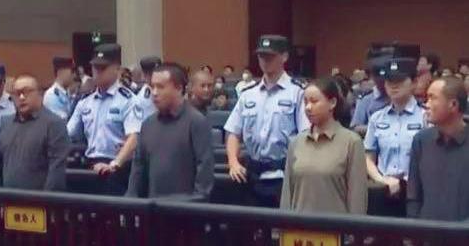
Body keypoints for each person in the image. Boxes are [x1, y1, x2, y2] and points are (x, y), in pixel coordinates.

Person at [224, 35, 308, 208]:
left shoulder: (297, 92)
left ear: (284, 57)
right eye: (262, 56)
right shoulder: (248, 94)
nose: (265, 61)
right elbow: (233, 132)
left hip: (284, 176)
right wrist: (233, 162)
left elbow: (305, 135)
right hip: (251, 176)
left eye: (270, 56)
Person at [127, 63, 214, 200]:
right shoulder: (148, 124)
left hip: (186, 209)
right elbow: (138, 169)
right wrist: (131, 201)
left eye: (160, 87)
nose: (154, 93)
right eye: (152, 86)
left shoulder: (197, 122)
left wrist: (194, 204)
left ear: (179, 88)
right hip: (152, 208)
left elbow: (204, 175)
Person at [281, 78, 367, 214]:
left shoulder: (351, 142)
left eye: (314, 101)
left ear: (332, 103)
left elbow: (357, 198)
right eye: (306, 102)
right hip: (299, 224)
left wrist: (354, 226)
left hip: (336, 224)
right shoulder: (296, 142)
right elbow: (287, 194)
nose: (308, 107)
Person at [67, 43, 143, 195]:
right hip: (90, 166)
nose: (97, 73)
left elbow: (134, 137)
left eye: (103, 68)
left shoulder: (128, 100)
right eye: (95, 68)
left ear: (117, 69)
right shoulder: (85, 101)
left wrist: (115, 164)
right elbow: (68, 133)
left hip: (117, 169)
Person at [364, 57, 426, 217]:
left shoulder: (425, 117)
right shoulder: (377, 118)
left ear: (414, 82)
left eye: (399, 80)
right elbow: (368, 157)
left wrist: (406, 181)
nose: (393, 85)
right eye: (389, 81)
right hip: (383, 189)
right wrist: (381, 179)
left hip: (415, 192)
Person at [0, 75, 69, 191]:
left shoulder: (54, 124)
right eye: (17, 93)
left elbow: (56, 172)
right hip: (6, 199)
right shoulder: (3, 124)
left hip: (40, 200)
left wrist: (46, 200)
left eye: (27, 91)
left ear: (40, 94)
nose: (21, 97)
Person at [407, 77, 469, 221]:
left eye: (432, 98)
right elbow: (413, 196)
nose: (426, 105)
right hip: (426, 231)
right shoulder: (421, 140)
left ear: (453, 104)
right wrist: (413, 229)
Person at [351, 54, 390, 137]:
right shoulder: (366, 100)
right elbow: (355, 128)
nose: (382, 82)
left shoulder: (398, 96)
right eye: (377, 78)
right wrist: (376, 126)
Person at [136, 56, 162, 120]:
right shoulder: (142, 98)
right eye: (152, 74)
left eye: (160, 72)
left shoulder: (167, 88)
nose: (157, 76)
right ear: (145, 75)